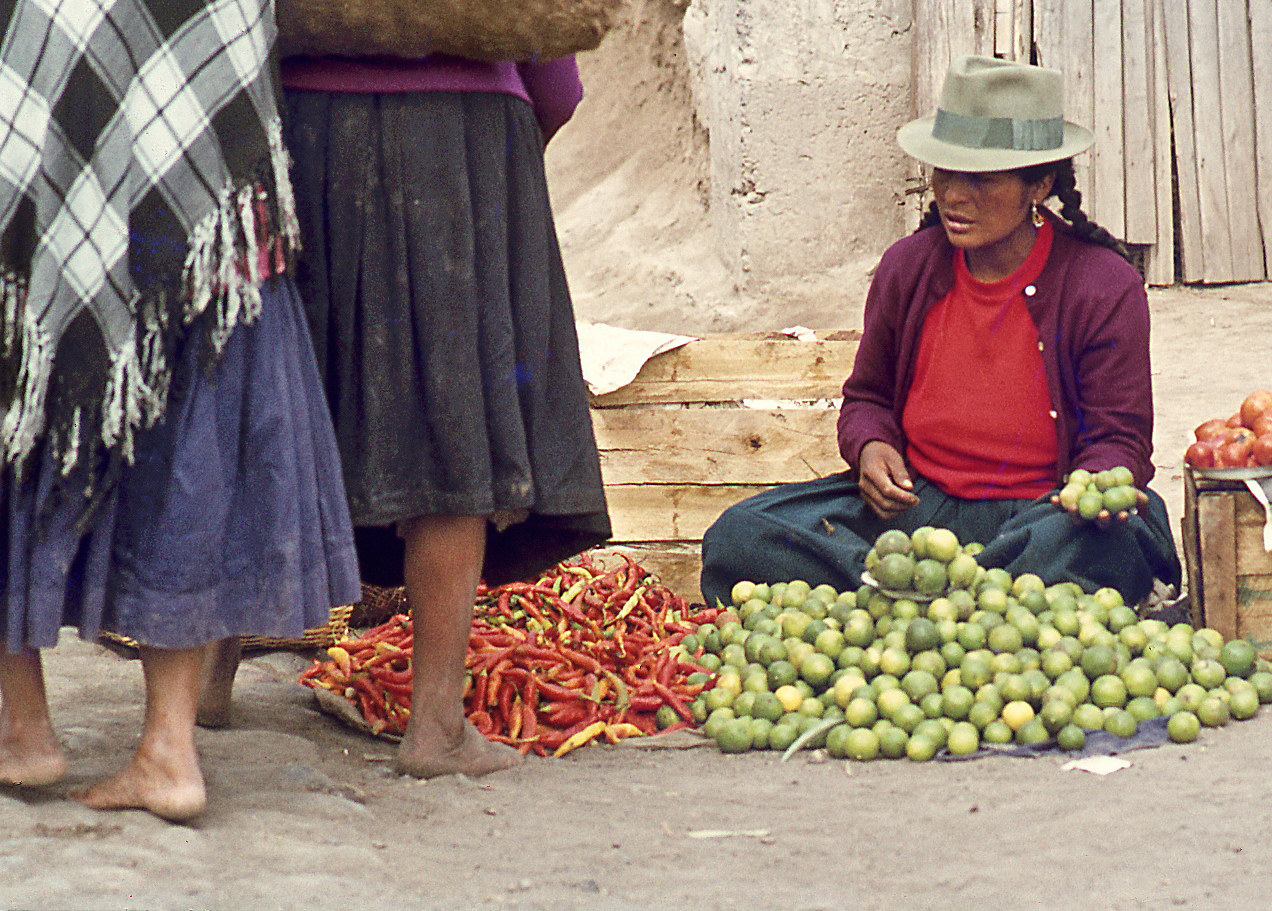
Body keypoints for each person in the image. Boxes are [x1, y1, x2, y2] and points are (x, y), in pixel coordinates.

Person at [0, 0, 359, 820]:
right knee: (186, 484)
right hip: (207, 260)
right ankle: (168, 748)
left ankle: (22, 726)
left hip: (68, 259)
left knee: (15, 420)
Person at [227, 49, 610, 778]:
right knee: (451, 405)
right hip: (460, 135)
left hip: (300, 131)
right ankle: (434, 722)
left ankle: (205, 684)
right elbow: (555, 78)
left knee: (278, 392)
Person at [700, 55, 1181, 610]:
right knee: (742, 535)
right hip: (915, 513)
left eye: (979, 178)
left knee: (1109, 539)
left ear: (1040, 183)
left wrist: (1089, 492)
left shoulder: (1102, 286)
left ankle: (901, 598)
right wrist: (872, 447)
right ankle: (958, 594)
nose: (953, 195)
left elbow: (1121, 442)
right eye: (945, 172)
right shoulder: (910, 268)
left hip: (1043, 517)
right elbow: (867, 398)